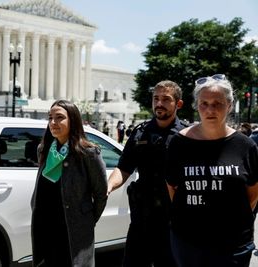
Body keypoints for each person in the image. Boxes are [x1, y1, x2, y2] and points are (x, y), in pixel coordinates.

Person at [166, 74, 258, 267]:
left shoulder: (245, 146)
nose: (210, 109)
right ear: (197, 105)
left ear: (230, 106)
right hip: (188, 243)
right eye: (204, 103)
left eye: (218, 103)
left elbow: (253, 194)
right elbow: (173, 188)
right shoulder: (179, 143)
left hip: (233, 246)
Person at [107, 80, 186, 267]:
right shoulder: (139, 132)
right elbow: (124, 167)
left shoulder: (188, 136)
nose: (159, 104)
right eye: (156, 98)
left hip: (174, 222)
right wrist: (108, 186)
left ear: (179, 104)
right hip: (142, 219)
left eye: (166, 99)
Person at [31, 99, 108, 267]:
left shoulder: (88, 153)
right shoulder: (44, 150)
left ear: (73, 120)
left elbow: (101, 193)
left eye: (59, 118)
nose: (53, 122)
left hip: (73, 232)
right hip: (46, 229)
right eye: (50, 118)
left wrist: (85, 220)